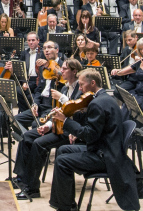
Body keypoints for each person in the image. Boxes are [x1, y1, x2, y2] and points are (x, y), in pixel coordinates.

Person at [49, 68, 140, 211]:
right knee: (63, 150)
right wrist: (71, 117)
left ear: (92, 83)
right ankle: (67, 202)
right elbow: (93, 123)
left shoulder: (97, 103)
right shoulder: (105, 99)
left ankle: (65, 207)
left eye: (82, 85)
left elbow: (90, 135)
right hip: (107, 148)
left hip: (105, 156)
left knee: (61, 161)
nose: (80, 89)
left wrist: (66, 121)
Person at [14, 59, 83, 200]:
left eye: (64, 69)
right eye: (61, 68)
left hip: (71, 131)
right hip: (58, 127)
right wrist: (48, 125)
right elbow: (59, 113)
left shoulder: (80, 88)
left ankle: (32, 188)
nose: (61, 71)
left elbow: (77, 111)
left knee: (38, 144)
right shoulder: (64, 88)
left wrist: (62, 98)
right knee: (27, 136)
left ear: (74, 71)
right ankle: (21, 178)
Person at [15, 41, 63, 129]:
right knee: (15, 120)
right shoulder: (43, 67)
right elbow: (39, 89)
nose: (46, 50)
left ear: (57, 50)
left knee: (35, 125)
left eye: (49, 47)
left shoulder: (63, 66)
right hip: (41, 104)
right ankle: (26, 138)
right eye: (44, 48)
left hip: (52, 106)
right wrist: (35, 104)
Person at [111, 38, 143, 107]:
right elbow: (125, 71)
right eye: (140, 49)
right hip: (137, 85)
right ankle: (129, 106)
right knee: (118, 92)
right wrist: (117, 71)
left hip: (141, 90)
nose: (142, 51)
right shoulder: (140, 61)